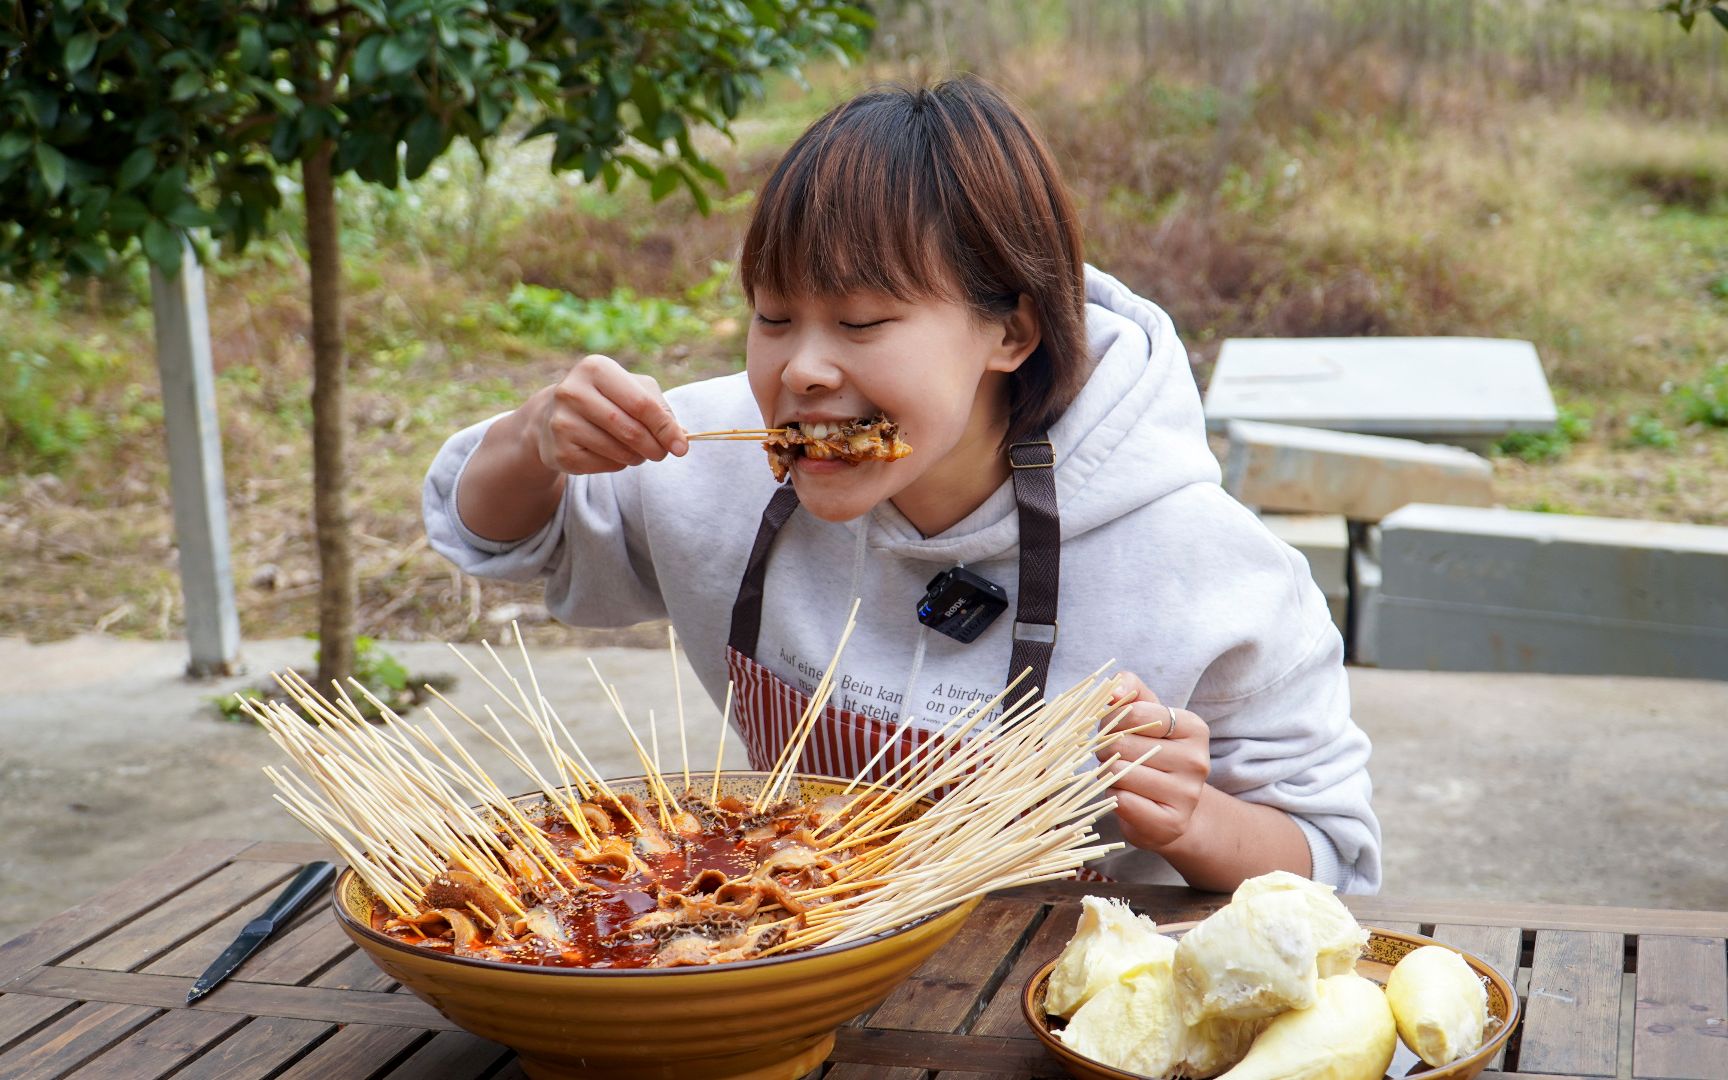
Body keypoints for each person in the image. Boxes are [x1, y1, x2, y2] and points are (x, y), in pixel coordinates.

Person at [425, 75, 1381, 894]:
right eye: (772, 315)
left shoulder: (1205, 566)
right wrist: (532, 439)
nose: (801, 369)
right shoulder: (700, 455)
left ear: (1010, 331)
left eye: (862, 322)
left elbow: (1331, 855)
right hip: (781, 954)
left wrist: (1190, 820)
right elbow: (504, 538)